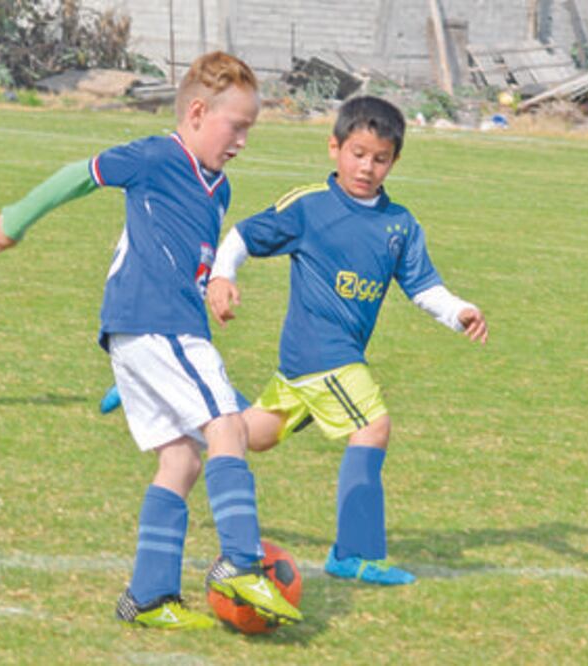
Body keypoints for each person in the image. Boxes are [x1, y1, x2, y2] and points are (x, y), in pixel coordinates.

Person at [0, 52, 302, 630]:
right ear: (198, 111)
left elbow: (187, 252)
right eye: (237, 127)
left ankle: (149, 596)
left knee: (180, 461)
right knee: (228, 427)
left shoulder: (219, 187)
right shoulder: (158, 156)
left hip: (150, 328)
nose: (242, 141)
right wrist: (17, 216)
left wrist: (213, 287)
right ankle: (238, 562)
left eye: (249, 130)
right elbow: (81, 173)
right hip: (159, 320)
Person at [206, 96, 489, 586]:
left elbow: (423, 287)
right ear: (334, 147)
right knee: (373, 426)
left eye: (380, 158)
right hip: (322, 354)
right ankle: (353, 553)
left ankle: (173, 391)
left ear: (394, 161)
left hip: (318, 364)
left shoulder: (399, 225)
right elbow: (244, 235)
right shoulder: (310, 207)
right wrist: (222, 275)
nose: (367, 167)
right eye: (358, 153)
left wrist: (458, 311)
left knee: (255, 435)